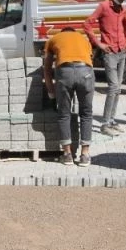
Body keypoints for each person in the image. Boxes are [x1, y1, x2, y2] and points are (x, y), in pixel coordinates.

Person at [83, 0, 126, 137]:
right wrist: (99, 44)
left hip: (121, 51)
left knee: (118, 88)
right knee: (113, 87)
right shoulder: (103, 7)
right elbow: (87, 24)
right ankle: (104, 124)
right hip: (109, 52)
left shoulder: (123, 9)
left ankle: (111, 120)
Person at [43, 27, 94, 167]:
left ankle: (67, 155)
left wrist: (51, 92)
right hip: (85, 72)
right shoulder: (83, 39)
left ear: (62, 33)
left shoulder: (53, 39)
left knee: (64, 114)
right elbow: (90, 60)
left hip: (64, 72)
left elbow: (47, 69)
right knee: (86, 113)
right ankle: (85, 155)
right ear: (74, 32)